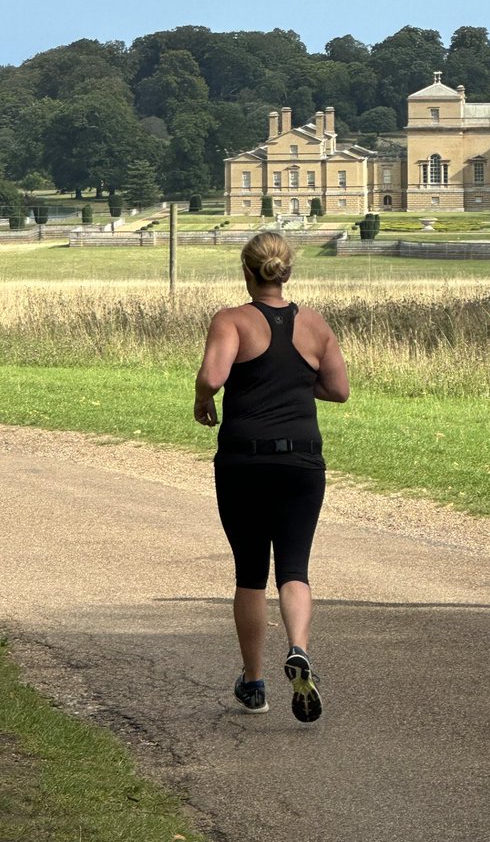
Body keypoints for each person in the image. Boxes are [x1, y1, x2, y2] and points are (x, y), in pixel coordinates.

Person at [194, 231, 349, 720]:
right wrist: (297, 384)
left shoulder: (232, 320)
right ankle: (299, 649)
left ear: (246, 270)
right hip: (302, 461)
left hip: (244, 460)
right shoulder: (316, 325)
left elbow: (214, 376)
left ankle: (255, 684)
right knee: (295, 568)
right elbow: (339, 390)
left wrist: (203, 399)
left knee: (249, 573)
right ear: (288, 272)